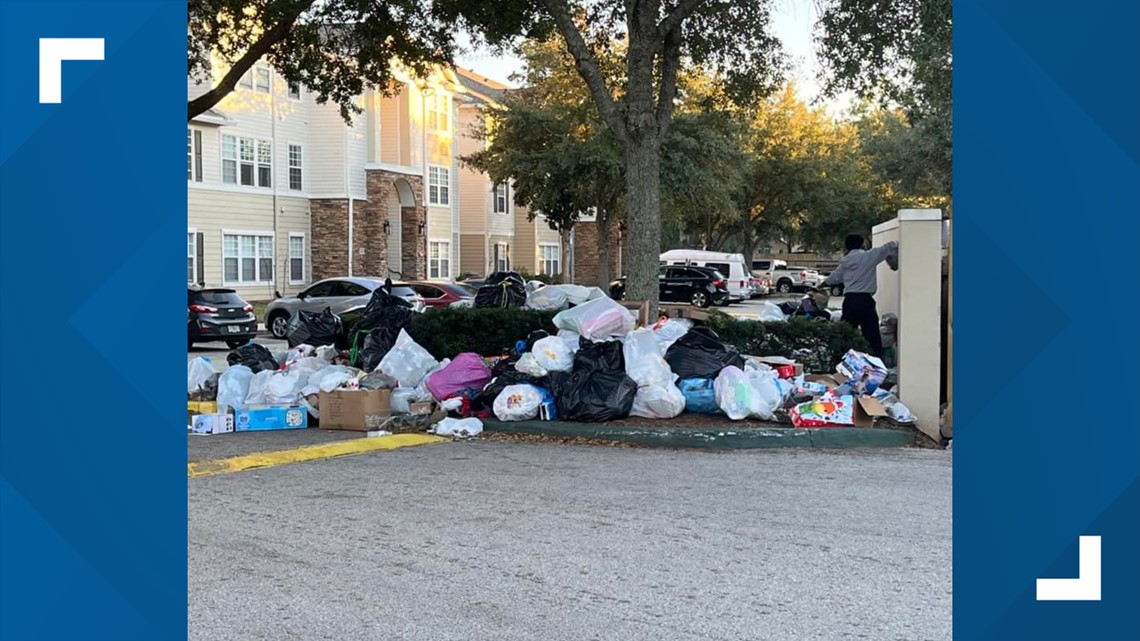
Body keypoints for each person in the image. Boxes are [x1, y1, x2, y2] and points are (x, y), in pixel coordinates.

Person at [821, 234, 898, 357]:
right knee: (872, 336)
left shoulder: (845, 262)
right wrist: (893, 263)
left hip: (850, 301)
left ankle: (842, 359)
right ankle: (875, 360)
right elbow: (891, 246)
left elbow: (833, 279)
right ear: (862, 244)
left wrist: (819, 286)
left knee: (846, 335)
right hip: (865, 301)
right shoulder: (869, 256)